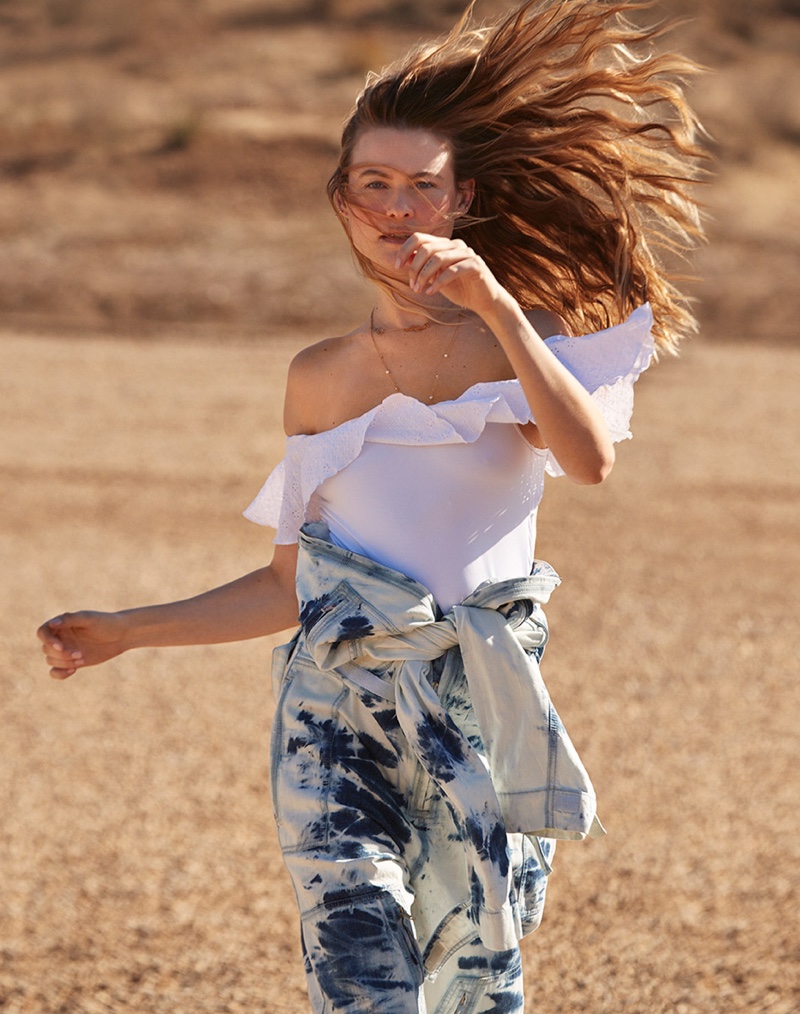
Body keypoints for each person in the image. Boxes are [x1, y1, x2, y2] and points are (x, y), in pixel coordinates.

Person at [37, 2, 705, 1010]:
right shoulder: (319, 378)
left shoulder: (523, 340)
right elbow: (287, 584)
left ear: (459, 199)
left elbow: (588, 458)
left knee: (472, 981)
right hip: (333, 709)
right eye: (372, 185)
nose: (395, 209)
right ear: (341, 199)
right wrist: (127, 631)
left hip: (477, 707)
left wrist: (497, 310)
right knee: (361, 974)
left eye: (419, 188)